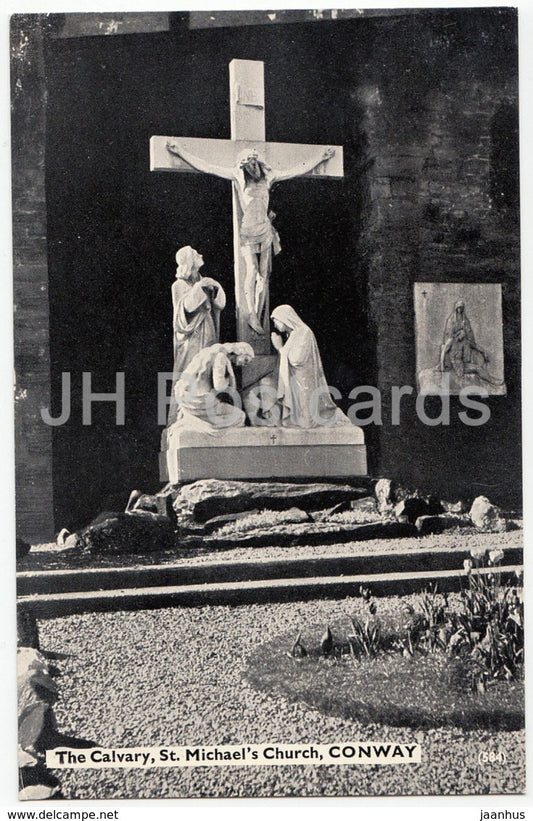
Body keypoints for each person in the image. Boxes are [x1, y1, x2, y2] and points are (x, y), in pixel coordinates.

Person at [166, 140, 335, 334]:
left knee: (264, 277)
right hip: (248, 231)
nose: (253, 167)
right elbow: (208, 166)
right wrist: (180, 152)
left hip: (264, 230)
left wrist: (321, 158)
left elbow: (296, 170)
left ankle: (257, 314)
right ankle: (251, 314)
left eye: (255, 163)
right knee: (252, 271)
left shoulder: (269, 177)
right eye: (249, 164)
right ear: (244, 166)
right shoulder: (238, 178)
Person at [167, 246, 226, 425]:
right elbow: (183, 311)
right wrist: (201, 288)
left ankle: (206, 413)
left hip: (207, 332)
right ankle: (185, 414)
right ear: (189, 262)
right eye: (194, 254)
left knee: (207, 370)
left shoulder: (205, 280)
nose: (199, 255)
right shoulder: (178, 285)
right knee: (189, 371)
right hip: (190, 338)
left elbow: (220, 304)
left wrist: (214, 290)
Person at [270, 304, 350, 428]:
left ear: (286, 318)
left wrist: (280, 348)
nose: (275, 325)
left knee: (306, 420)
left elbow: (297, 359)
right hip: (296, 380)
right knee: (299, 419)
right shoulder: (293, 333)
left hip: (303, 381)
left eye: (276, 320)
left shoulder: (304, 332)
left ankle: (334, 416)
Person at [171, 342, 254, 432]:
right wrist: (229, 380)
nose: (245, 365)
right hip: (200, 402)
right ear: (239, 352)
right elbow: (219, 386)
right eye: (246, 360)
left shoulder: (209, 351)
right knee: (240, 416)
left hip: (188, 399)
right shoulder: (221, 357)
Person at [439, 300, 503, 385]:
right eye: (462, 334)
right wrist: (442, 367)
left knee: (477, 368)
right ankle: (490, 381)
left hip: (462, 363)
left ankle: (492, 380)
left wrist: (483, 352)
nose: (464, 335)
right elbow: (444, 351)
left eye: (464, 334)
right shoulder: (451, 341)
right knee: (470, 372)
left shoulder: (465, 341)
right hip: (456, 366)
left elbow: (474, 345)